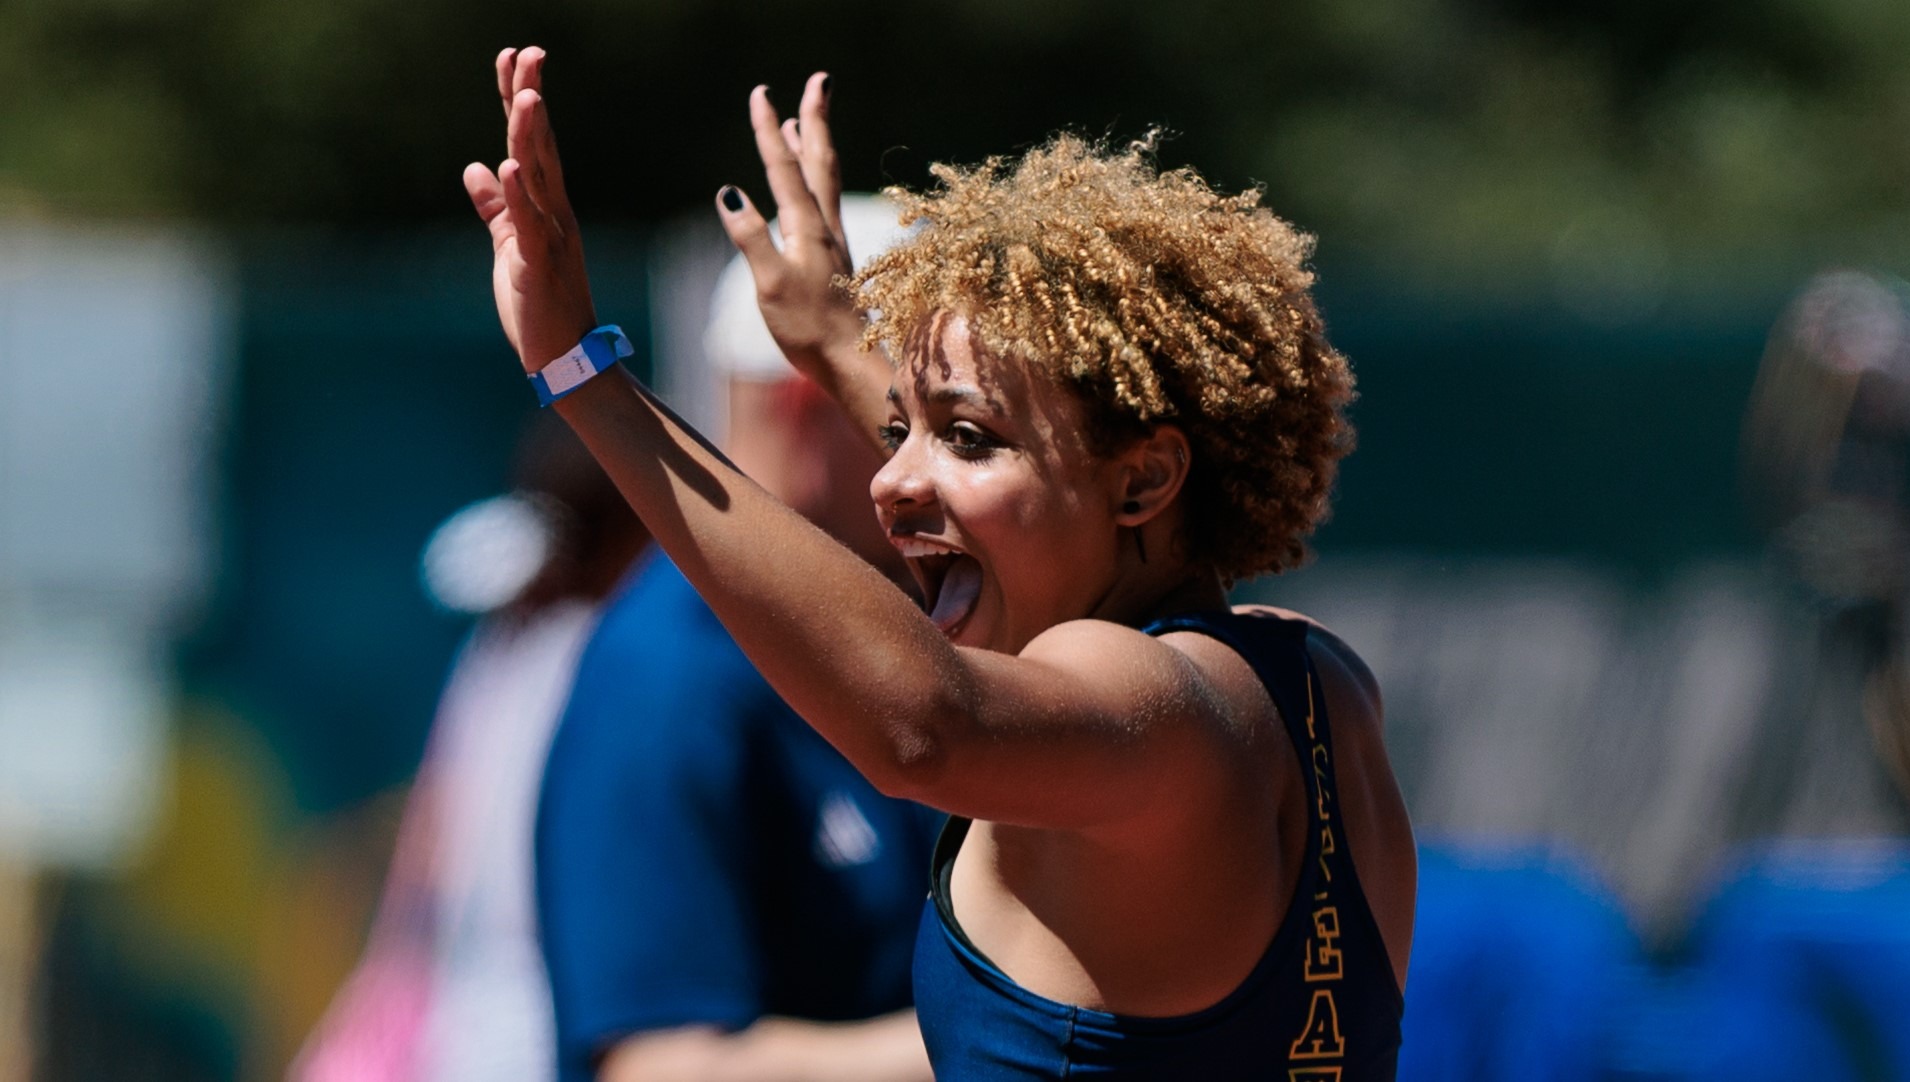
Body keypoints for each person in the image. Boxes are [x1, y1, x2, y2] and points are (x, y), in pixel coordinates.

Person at [463, 46, 1415, 1079]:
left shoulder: (1154, 708)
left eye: (959, 436)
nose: (888, 481)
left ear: (1145, 482)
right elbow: (1046, 470)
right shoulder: (1315, 683)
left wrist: (586, 377)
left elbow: (922, 722)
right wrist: (839, 347)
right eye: (900, 429)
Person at [534, 196, 943, 1082]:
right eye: (923, 414)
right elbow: (654, 1066)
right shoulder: (666, 671)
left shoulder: (916, 625)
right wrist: (1021, 1038)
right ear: (811, 398)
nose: (947, 463)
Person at [294, 414, 647, 1082]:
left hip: (469, 1017)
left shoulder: (496, 652)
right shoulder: (606, 658)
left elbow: (429, 849)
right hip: (549, 1014)